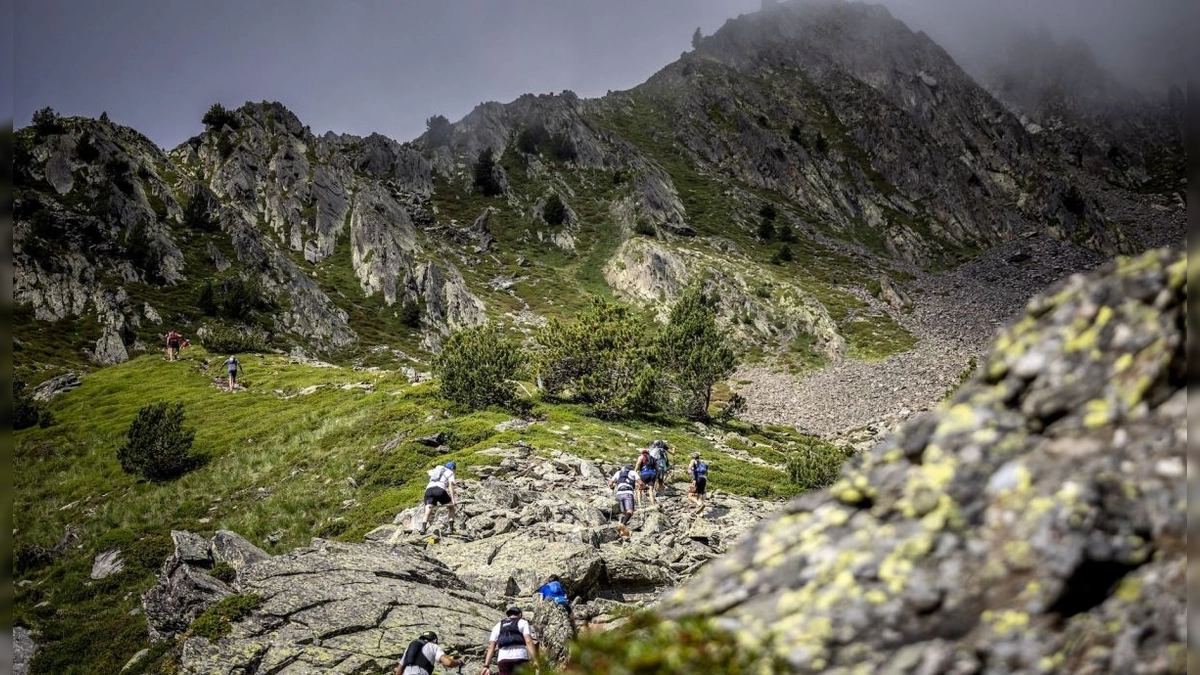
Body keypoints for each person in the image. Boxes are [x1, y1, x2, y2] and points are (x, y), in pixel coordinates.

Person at [482, 606, 537, 675]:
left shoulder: (498, 625)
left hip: (503, 659)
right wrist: (535, 659)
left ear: (508, 615)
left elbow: (491, 646)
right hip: (520, 657)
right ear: (520, 614)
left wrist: (486, 666)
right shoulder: (523, 622)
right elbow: (528, 641)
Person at [397, 630, 462, 675]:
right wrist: (458, 662)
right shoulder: (433, 646)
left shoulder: (410, 648)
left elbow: (399, 671)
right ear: (435, 640)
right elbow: (448, 663)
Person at [419, 461, 457, 534]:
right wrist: (453, 499)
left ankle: (423, 528)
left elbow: (428, 472)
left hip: (428, 490)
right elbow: (450, 485)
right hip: (439, 490)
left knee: (428, 510)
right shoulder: (450, 472)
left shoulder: (437, 470)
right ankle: (451, 529)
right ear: (452, 468)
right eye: (454, 468)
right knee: (451, 507)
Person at [607, 464, 637, 537]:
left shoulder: (618, 473)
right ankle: (622, 524)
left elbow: (610, 483)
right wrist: (644, 487)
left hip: (619, 494)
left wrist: (612, 487)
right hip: (628, 492)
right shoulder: (633, 472)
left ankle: (622, 532)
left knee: (624, 513)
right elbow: (640, 483)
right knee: (630, 511)